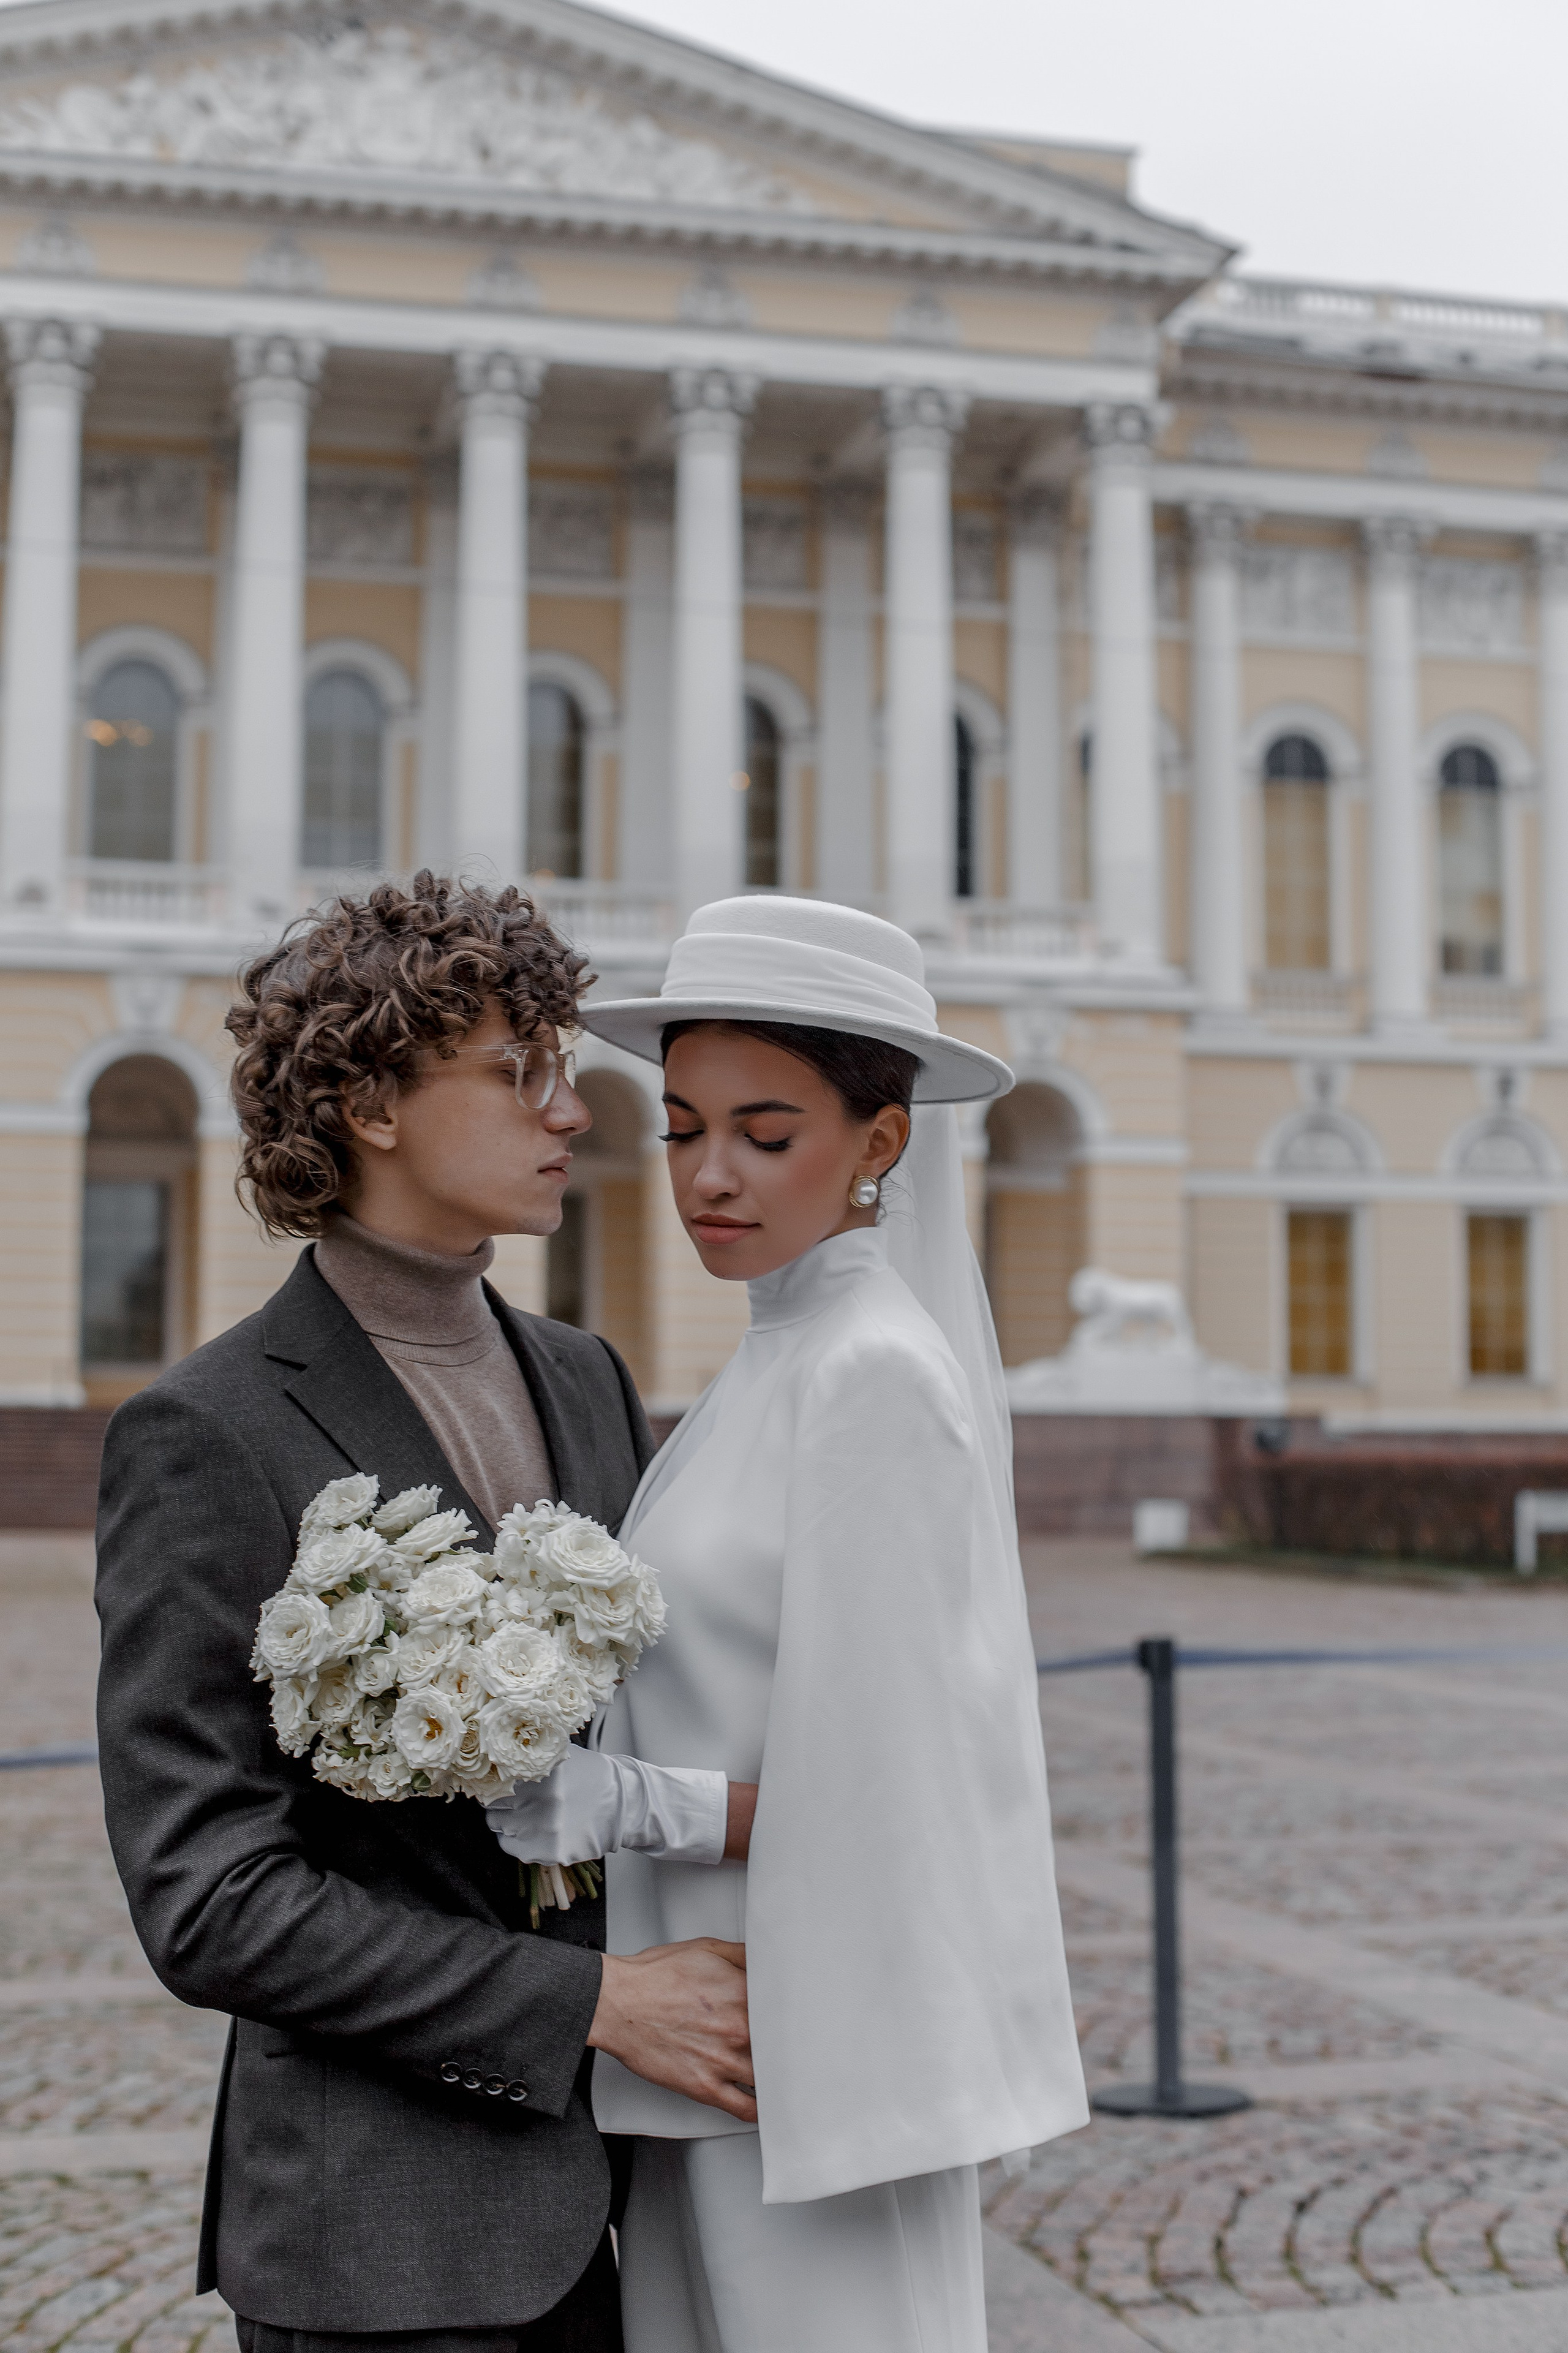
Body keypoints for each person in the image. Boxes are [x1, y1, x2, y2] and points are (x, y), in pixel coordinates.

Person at [94, 874, 753, 2353]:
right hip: (378, 2238)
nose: (572, 1111)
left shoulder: (585, 1374)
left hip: (635, 2207)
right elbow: (208, 1898)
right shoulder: (201, 1432)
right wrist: (587, 2005)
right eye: (520, 1070)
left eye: (567, 1069)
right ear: (372, 1101)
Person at [488, 893, 1088, 2352]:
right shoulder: (772, 1359)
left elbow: (889, 1789)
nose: (709, 1175)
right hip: (709, 2052)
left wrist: (616, 1800)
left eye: (767, 1132)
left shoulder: (871, 1374)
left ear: (879, 1142)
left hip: (811, 2062)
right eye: (685, 1126)